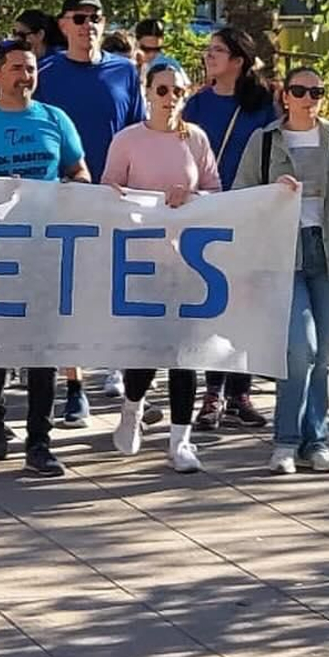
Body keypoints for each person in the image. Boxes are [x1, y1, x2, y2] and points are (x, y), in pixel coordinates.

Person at [235, 66, 329, 476]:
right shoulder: (264, 141)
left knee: (324, 357)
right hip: (284, 255)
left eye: (315, 91)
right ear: (285, 95)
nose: (308, 98)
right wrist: (271, 193)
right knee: (299, 350)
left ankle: (315, 441)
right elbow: (239, 199)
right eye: (299, 90)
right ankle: (285, 442)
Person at [0, 39, 87, 478]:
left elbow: (78, 172)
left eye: (30, 68)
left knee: (43, 345)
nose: (24, 76)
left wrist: (76, 188)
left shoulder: (55, 120)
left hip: (45, 248)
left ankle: (39, 440)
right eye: (15, 68)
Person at [102, 58, 221, 473]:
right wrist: (126, 197)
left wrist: (190, 199)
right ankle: (132, 410)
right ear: (147, 93)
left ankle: (180, 441)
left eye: (178, 91)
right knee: (147, 349)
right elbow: (107, 192)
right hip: (140, 261)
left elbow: (214, 193)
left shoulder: (198, 140)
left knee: (185, 353)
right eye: (162, 90)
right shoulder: (127, 139)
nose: (170, 98)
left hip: (188, 262)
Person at [36, 0, 145, 424]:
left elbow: (138, 129)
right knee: (68, 295)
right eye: (79, 18)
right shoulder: (46, 72)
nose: (88, 25)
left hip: (114, 195)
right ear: (63, 25)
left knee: (115, 289)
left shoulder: (125, 72)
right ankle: (73, 384)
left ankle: (117, 369)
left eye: (95, 17)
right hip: (62, 196)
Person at [185, 25, 279, 430]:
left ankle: (241, 391)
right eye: (209, 50)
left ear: (238, 61)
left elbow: (279, 152)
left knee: (249, 303)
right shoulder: (197, 105)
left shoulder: (263, 105)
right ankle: (213, 392)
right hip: (209, 214)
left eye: (218, 50)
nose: (209, 56)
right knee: (214, 303)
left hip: (252, 212)